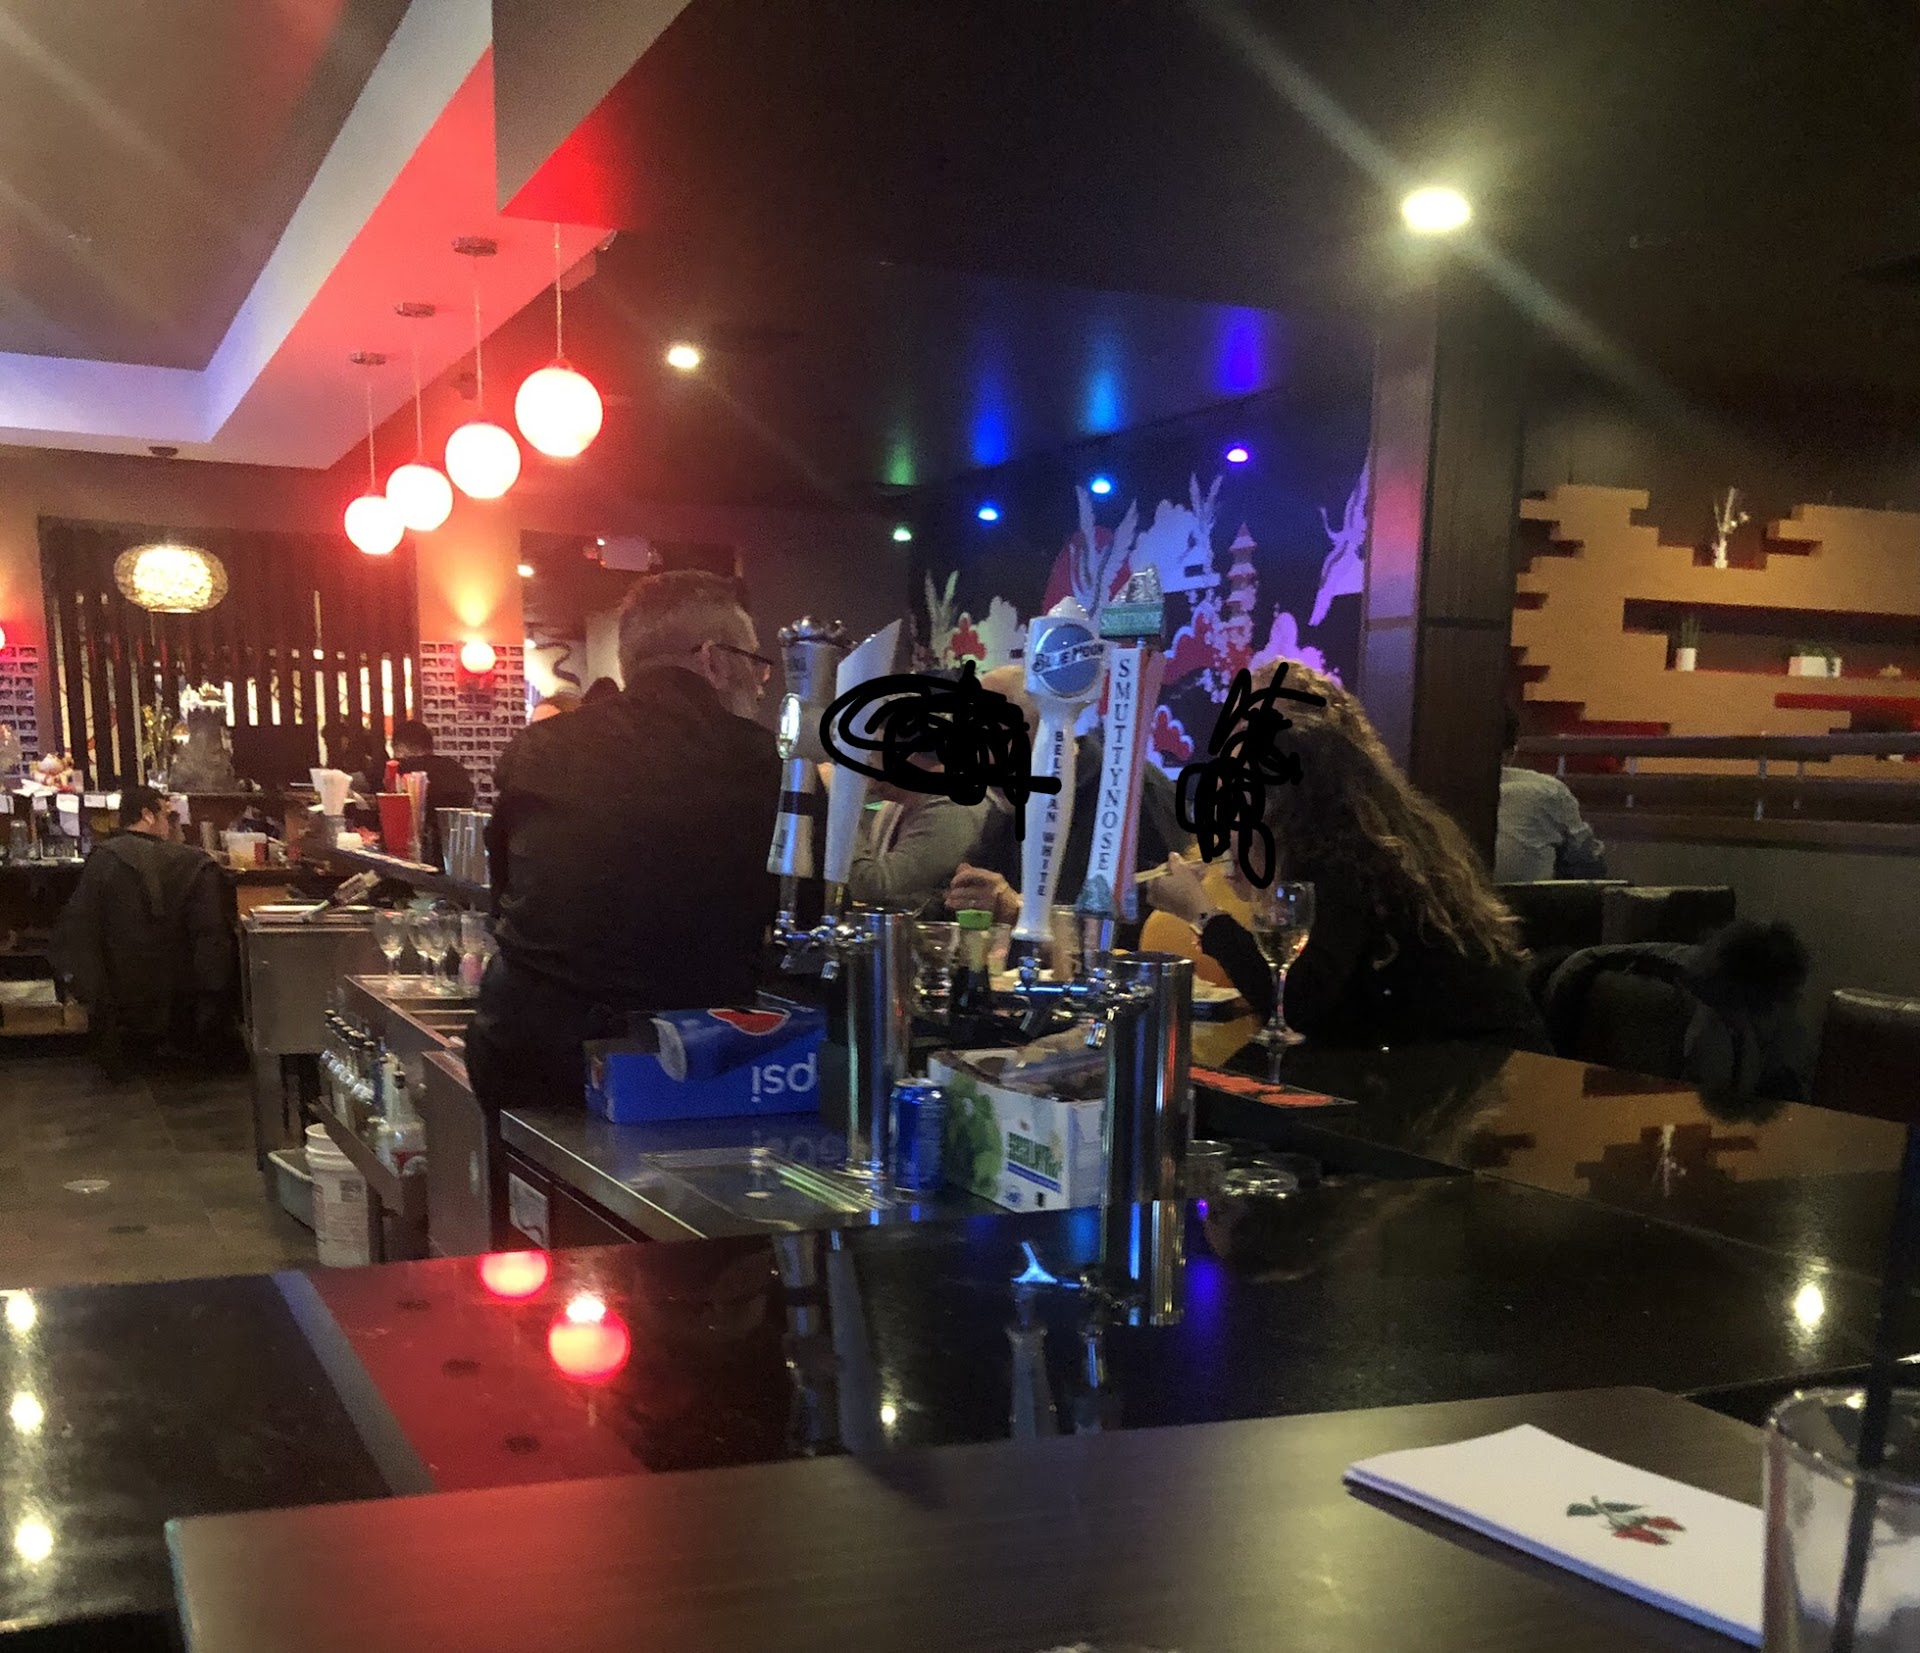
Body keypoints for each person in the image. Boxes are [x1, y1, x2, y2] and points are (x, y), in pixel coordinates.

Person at [469, 570, 781, 1111]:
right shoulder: (758, 761)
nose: (760, 684)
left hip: (522, 1055)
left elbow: (506, 900)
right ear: (714, 660)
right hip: (677, 1064)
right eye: (755, 663)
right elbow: (793, 917)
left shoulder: (539, 747)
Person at [1145, 665, 1550, 1052]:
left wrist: (1203, 915)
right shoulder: (1355, 836)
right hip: (1427, 1057)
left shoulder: (1347, 859)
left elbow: (1295, 1003)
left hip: (1479, 1064)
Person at [944, 664, 1187, 924]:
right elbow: (980, 894)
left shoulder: (1128, 789)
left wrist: (1019, 910)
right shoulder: (1010, 804)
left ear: (1040, 730)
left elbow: (1171, 914)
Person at [51, 786, 234, 1078]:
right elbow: (210, 936)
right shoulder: (194, 863)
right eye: (167, 816)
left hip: (118, 996)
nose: (171, 824)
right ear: (148, 815)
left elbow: (78, 929)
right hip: (182, 1001)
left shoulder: (102, 859)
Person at [1495, 706, 1606, 882]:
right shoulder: (1546, 791)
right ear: (1511, 754)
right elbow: (1587, 865)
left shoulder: (1544, 791)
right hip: (1520, 900)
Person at [390, 718, 475, 864]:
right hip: (461, 852)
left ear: (401, 747)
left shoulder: (404, 769)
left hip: (420, 854)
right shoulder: (455, 768)